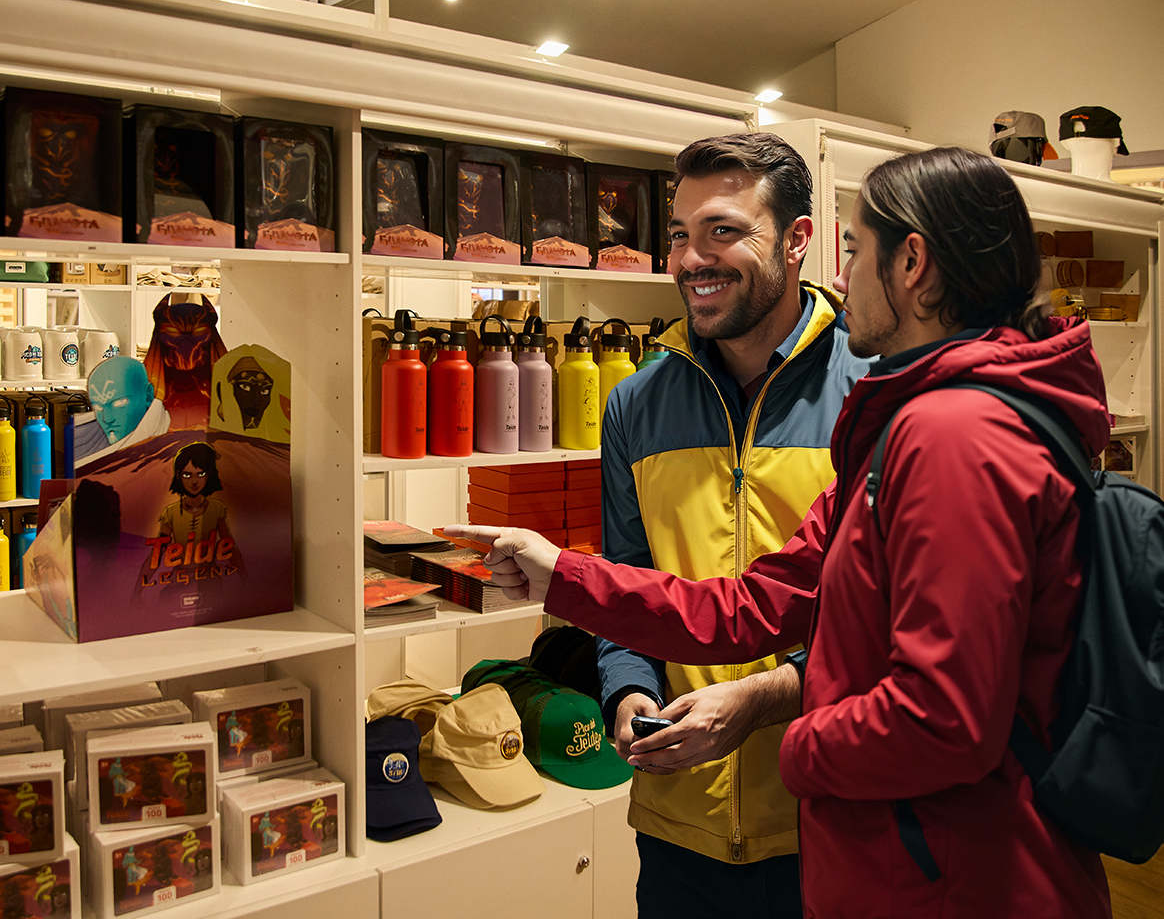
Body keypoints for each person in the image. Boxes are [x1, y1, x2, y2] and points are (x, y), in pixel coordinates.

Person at [451, 146, 1112, 918]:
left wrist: (785, 739)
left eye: (856, 250)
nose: (844, 274)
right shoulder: (903, 425)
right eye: (678, 234)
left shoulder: (951, 433)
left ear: (913, 265)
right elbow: (758, 603)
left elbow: (944, 717)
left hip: (957, 872)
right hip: (875, 851)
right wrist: (562, 576)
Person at [596, 133, 868, 918]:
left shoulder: (873, 388)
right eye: (680, 234)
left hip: (832, 814)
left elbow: (891, 622)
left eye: (723, 231)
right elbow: (631, 586)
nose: (690, 259)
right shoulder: (636, 403)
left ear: (797, 240)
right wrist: (629, 696)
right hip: (679, 827)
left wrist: (763, 696)